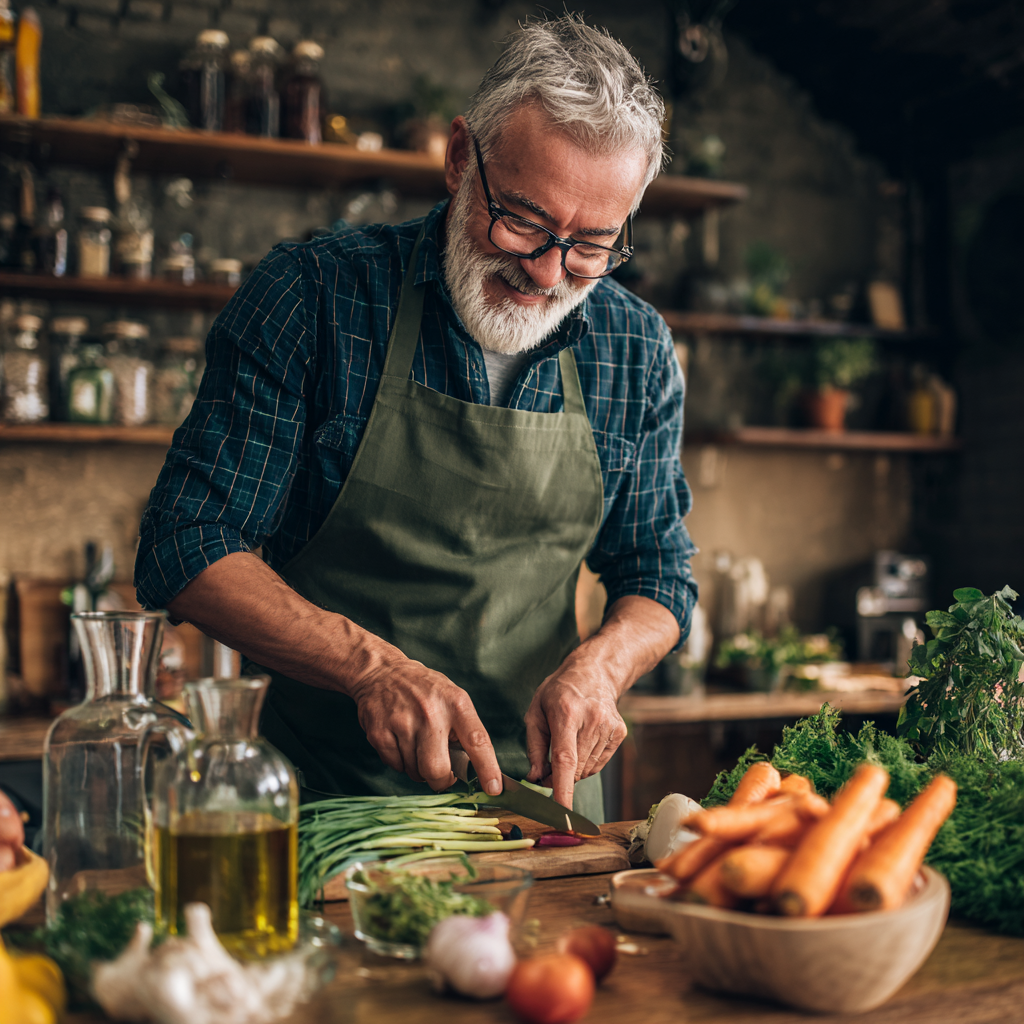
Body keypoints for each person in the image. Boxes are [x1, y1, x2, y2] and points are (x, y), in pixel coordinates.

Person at [135, 15, 697, 822]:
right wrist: (370, 669)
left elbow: (658, 572)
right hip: (329, 807)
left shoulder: (635, 347)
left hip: (542, 810)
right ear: (461, 159)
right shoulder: (316, 296)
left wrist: (603, 668)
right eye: (525, 222)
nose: (546, 272)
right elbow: (184, 543)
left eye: (591, 245)